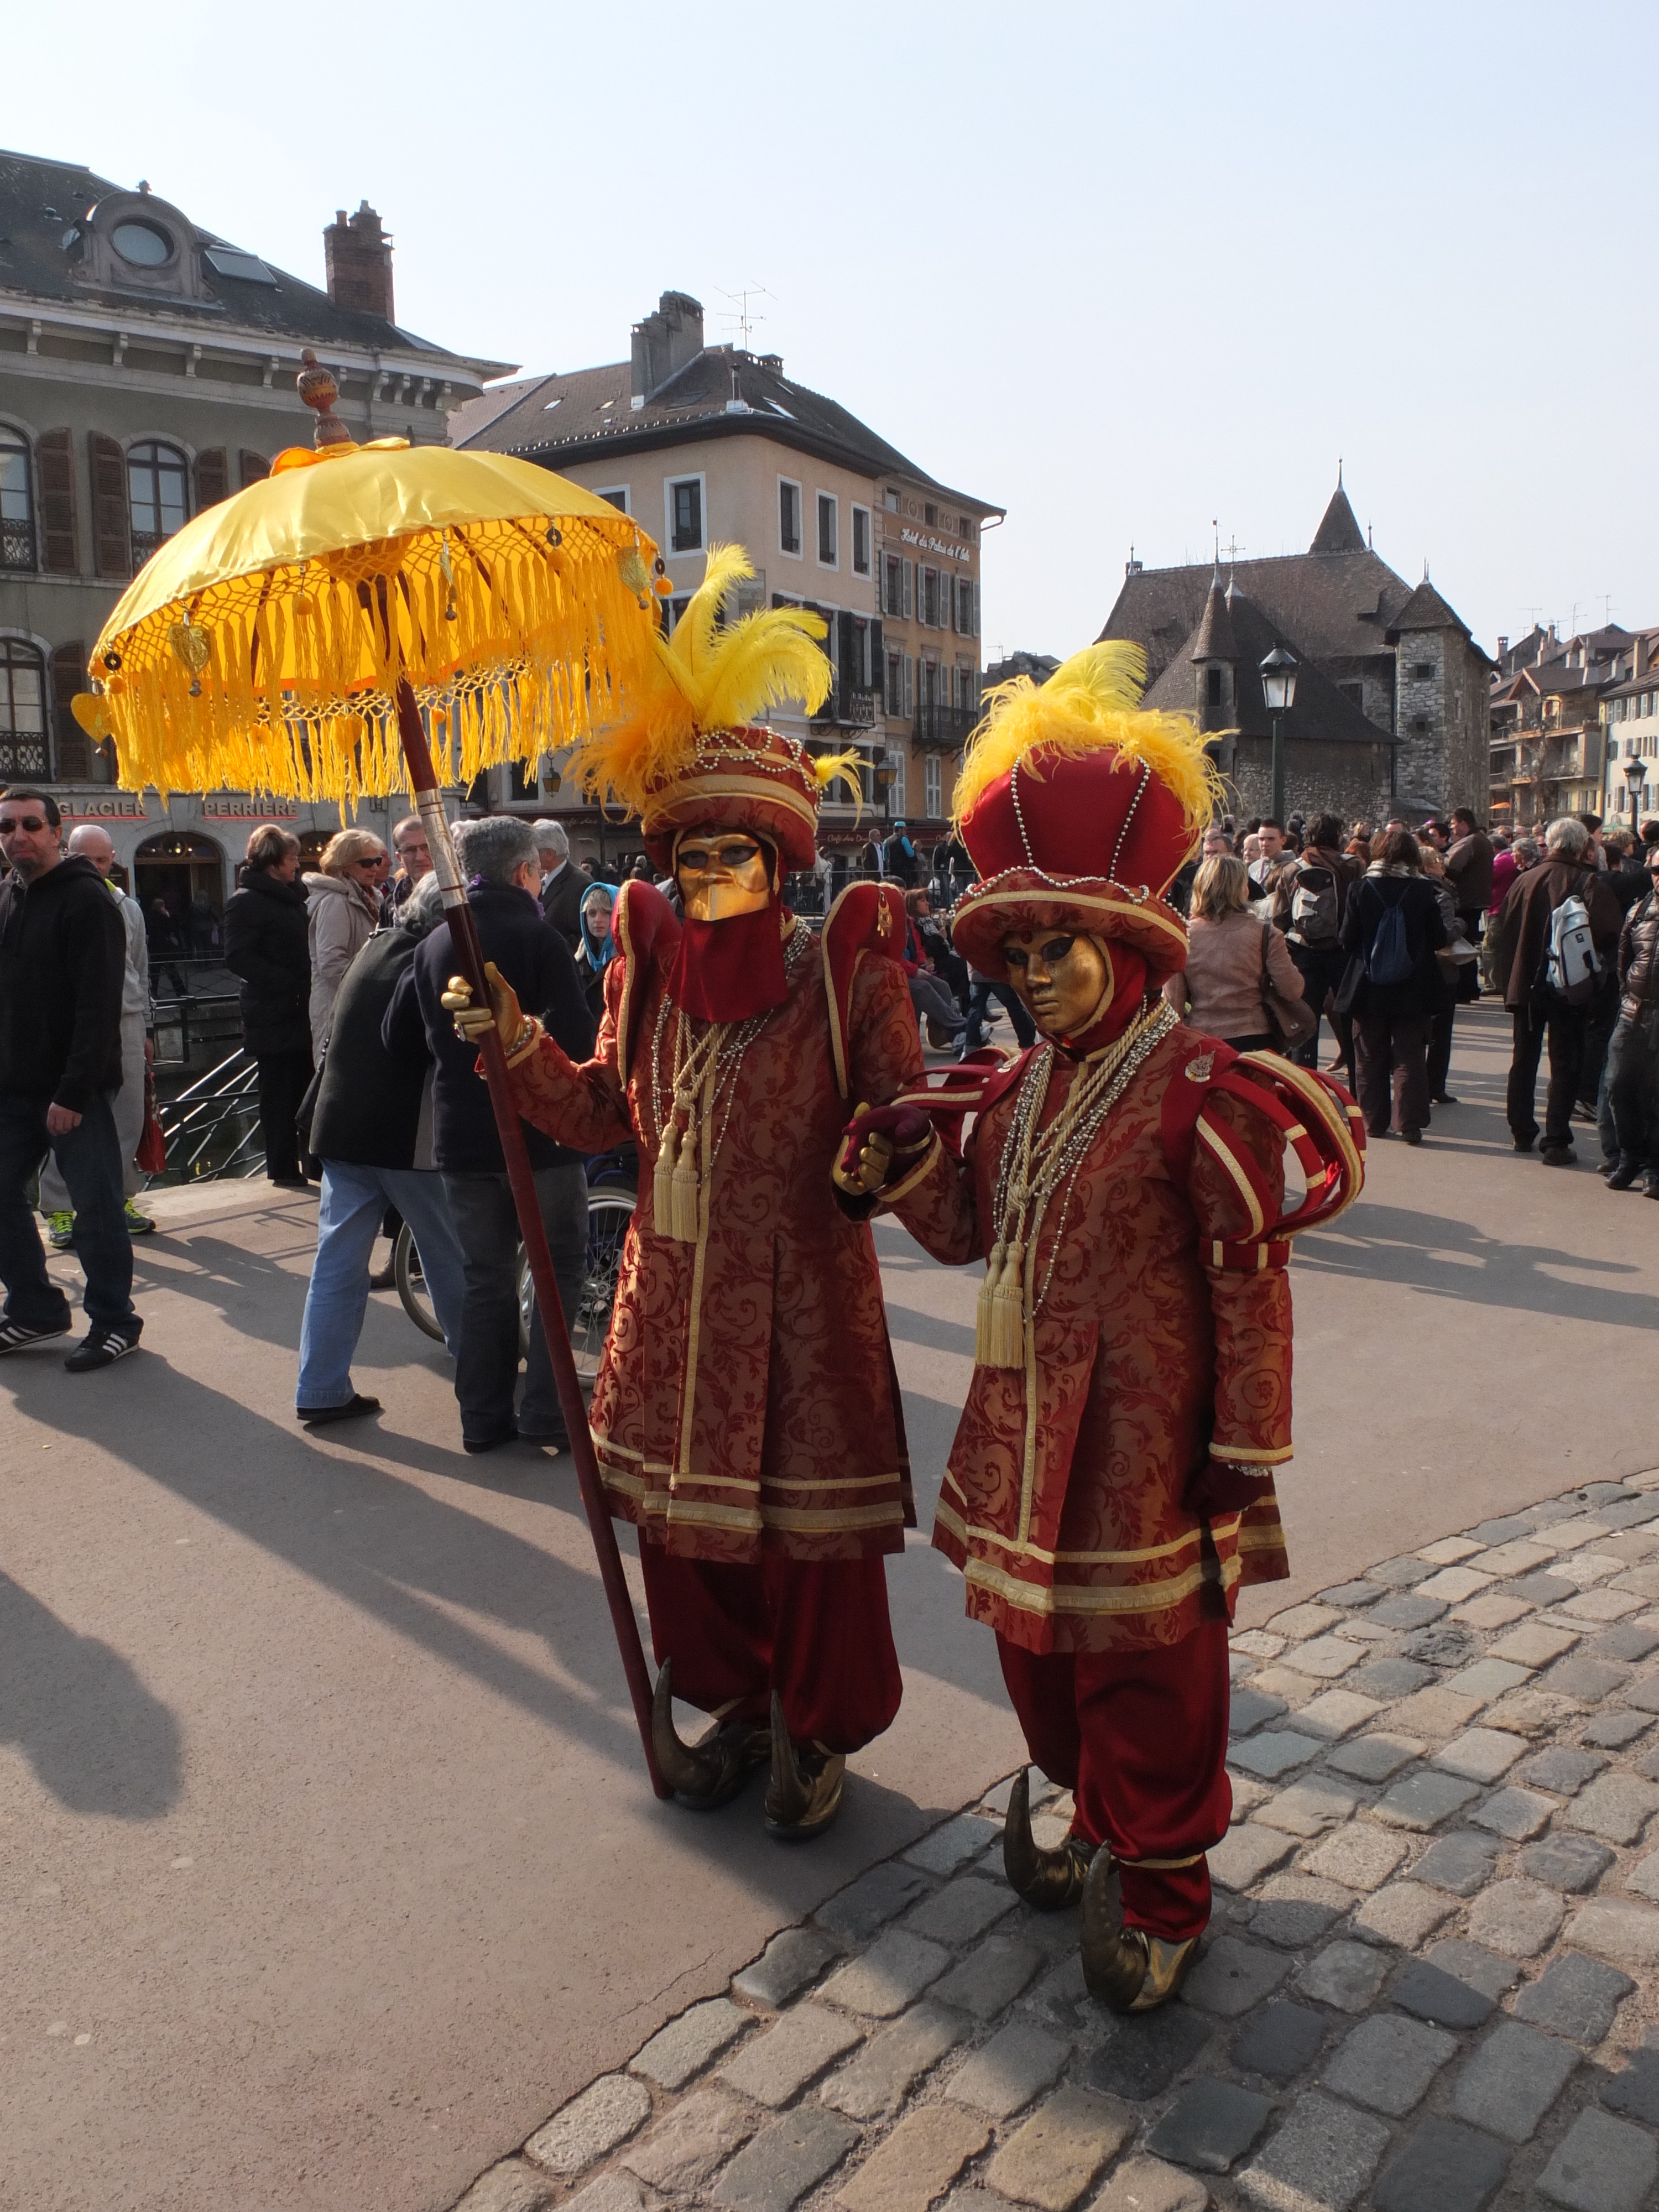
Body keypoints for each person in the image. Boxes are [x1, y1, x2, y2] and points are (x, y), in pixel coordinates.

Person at [834, 643, 1360, 2011]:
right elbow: (970, 1235)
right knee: (1036, 1661)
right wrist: (896, 1184)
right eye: (1017, 954)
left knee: (1146, 1675)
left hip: (1141, 1442)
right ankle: (1093, 1817)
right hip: (1018, 1434)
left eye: (1056, 948)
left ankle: (1164, 1882)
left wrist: (1242, 1448)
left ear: (1123, 945)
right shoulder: (1011, 1090)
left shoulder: (1199, 1088)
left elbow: (1250, 1280)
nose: (1034, 975)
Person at [446, 545, 921, 1839]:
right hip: (668, 1316)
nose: (708, 874)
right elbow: (605, 1114)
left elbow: (906, 1120)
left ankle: (817, 1719)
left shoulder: (846, 972)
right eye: (687, 853)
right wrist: (516, 1042)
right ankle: (738, 1701)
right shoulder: (640, 973)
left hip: (804, 1318)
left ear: (777, 856)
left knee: (804, 1550)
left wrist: (884, 1157)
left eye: (734, 852)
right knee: (689, 1546)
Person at [385, 815, 593, 1455]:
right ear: (526, 871)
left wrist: (453, 1050)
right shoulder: (540, 937)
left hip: (463, 1137)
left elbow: (396, 1038)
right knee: (558, 1270)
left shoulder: (434, 942)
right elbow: (581, 1041)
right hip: (541, 1137)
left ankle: (481, 1417)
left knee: (486, 1276)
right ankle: (547, 1411)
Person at [294, 875, 467, 1424]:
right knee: (448, 1254)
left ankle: (320, 1386)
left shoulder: (376, 944)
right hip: (406, 1134)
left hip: (341, 1126)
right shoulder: (437, 958)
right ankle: (478, 1365)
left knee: (337, 1262)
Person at [0, 787, 142, 1369]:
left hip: (71, 1088)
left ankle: (115, 1321)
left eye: (31, 824)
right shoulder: (9, 895)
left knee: (96, 1204)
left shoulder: (88, 900)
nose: (18, 835)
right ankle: (34, 1306)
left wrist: (73, 1091)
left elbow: (98, 1005)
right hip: (15, 1085)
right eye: (7, 827)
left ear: (57, 832)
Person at [39, 825, 155, 1245]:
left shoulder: (128, 907)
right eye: (85, 860)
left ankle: (120, 1197)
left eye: (103, 860)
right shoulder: (52, 899)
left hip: (125, 1019)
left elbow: (140, 971)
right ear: (68, 854)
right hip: (73, 1024)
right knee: (66, 1116)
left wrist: (147, 1027)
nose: (95, 868)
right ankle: (59, 1207)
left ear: (112, 861)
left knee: (127, 1116)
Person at [1489, 816, 1623, 1164]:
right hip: (1568, 985)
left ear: (1550, 844)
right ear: (1582, 847)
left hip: (1526, 983)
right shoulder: (1586, 880)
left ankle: (1521, 1130)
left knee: (1524, 1058)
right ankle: (1556, 1140)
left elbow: (1501, 932)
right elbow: (1610, 932)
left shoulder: (1523, 880)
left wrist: (1508, 981)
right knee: (1566, 1062)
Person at [1336, 827, 1446, 1145]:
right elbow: (1439, 937)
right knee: (1410, 1055)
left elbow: (1346, 939)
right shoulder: (1423, 890)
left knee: (1369, 1055)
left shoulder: (1360, 889)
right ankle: (1409, 1123)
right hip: (1414, 987)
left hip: (1367, 987)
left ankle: (1373, 1121)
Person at [223, 825, 313, 1189]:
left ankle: (310, 1161)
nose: (297, 864)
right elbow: (238, 956)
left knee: (306, 1085)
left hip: (300, 1007)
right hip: (274, 1011)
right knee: (278, 1092)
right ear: (274, 862)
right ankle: (282, 1165)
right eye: (292, 858)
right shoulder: (245, 901)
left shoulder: (293, 896)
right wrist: (287, 982)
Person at [1166, 854, 1304, 1052]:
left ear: (1200, 888)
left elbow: (1174, 1004)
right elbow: (1292, 991)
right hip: (1255, 1038)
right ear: (1244, 888)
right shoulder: (1265, 934)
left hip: (1202, 1037)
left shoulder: (1182, 936)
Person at [1270, 812, 1355, 1072]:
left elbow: (1280, 918)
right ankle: (1356, 1087)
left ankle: (1305, 1085)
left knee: (1306, 1020)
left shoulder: (1292, 869)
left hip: (1303, 950)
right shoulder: (1353, 866)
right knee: (1349, 1018)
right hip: (1343, 949)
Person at [1604, 845, 1659, 1195]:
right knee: (1618, 1086)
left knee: (1655, 1095)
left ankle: (1654, 1166)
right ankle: (1629, 1157)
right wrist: (1627, 998)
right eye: (1656, 870)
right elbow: (1623, 962)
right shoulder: (1638, 911)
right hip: (1634, 1013)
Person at [305, 830, 387, 1057]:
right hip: (338, 1009)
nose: (375, 867)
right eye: (367, 862)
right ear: (344, 866)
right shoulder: (335, 901)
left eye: (378, 861)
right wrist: (369, 988)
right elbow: (331, 964)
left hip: (360, 1008)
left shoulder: (372, 897)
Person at [1418, 841, 1464, 1107]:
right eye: (1437, 860)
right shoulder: (1442, 894)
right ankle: (1435, 1085)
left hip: (1415, 969)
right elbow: (1446, 934)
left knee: (1415, 1030)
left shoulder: (1410, 889)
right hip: (1442, 970)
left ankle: (1415, 1083)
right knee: (1440, 1031)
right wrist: (1461, 923)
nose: (1442, 865)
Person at [902, 889, 968, 1048]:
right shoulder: (910, 923)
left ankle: (950, 1033)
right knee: (924, 986)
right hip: (904, 972)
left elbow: (918, 950)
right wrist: (917, 969)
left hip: (921, 967)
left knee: (945, 983)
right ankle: (962, 1026)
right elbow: (894, 955)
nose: (927, 903)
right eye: (922, 900)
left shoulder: (913, 922)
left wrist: (923, 963)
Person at [534, 819, 587, 948]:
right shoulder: (542, 878)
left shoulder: (580, 884)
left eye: (533, 850)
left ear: (549, 854)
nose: (529, 855)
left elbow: (582, 940)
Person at [575, 879, 617, 1022]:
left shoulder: (627, 959)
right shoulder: (579, 959)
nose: (598, 920)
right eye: (592, 913)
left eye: (607, 913)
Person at [383, 815, 433, 920]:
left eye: (426, 847)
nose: (420, 857)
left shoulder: (460, 895)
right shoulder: (390, 905)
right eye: (410, 850)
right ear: (399, 858)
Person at [146, 896, 187, 998]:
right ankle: (181, 992)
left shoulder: (149, 917)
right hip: (165, 947)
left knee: (154, 972)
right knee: (172, 971)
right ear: (161, 907)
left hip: (154, 947)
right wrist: (168, 917)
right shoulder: (163, 917)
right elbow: (171, 929)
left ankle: (153, 993)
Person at [883, 819, 918, 886]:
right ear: (900, 830)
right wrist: (913, 850)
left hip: (891, 871)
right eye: (905, 830)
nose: (905, 832)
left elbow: (885, 857)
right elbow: (911, 854)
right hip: (903, 871)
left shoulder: (886, 841)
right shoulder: (904, 839)